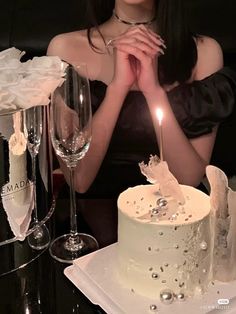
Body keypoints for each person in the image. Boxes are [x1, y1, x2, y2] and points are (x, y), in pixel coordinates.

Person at [47, 0, 236, 200]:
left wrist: (153, 91)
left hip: (175, 216)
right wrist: (118, 87)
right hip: (93, 222)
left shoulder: (204, 52)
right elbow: (79, 179)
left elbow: (189, 179)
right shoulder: (65, 49)